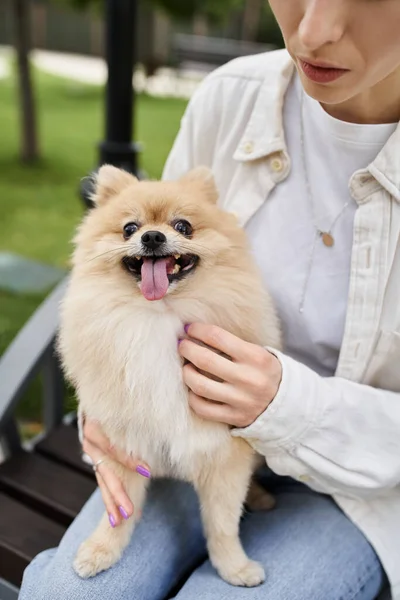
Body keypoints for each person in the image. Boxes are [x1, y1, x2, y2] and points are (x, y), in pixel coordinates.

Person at [20, 1, 400, 598]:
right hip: (170, 449)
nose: (315, 29)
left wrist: (285, 405)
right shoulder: (231, 97)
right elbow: (137, 266)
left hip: (357, 490)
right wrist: (106, 404)